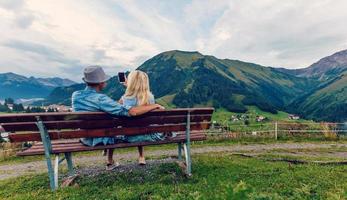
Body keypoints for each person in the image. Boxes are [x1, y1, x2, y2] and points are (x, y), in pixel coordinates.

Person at [72, 66, 163, 170]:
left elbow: (123, 102)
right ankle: (139, 156)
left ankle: (110, 160)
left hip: (85, 138)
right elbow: (131, 111)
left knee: (115, 127)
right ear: (101, 83)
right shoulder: (102, 100)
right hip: (101, 138)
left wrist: (129, 90)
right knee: (115, 129)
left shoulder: (76, 95)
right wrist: (154, 105)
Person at [120, 70, 166, 165]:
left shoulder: (124, 98)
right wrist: (155, 105)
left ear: (131, 82)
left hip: (129, 136)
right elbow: (138, 100)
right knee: (141, 126)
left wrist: (128, 88)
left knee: (134, 126)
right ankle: (141, 156)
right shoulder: (150, 98)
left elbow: (121, 106)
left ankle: (141, 156)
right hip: (150, 135)